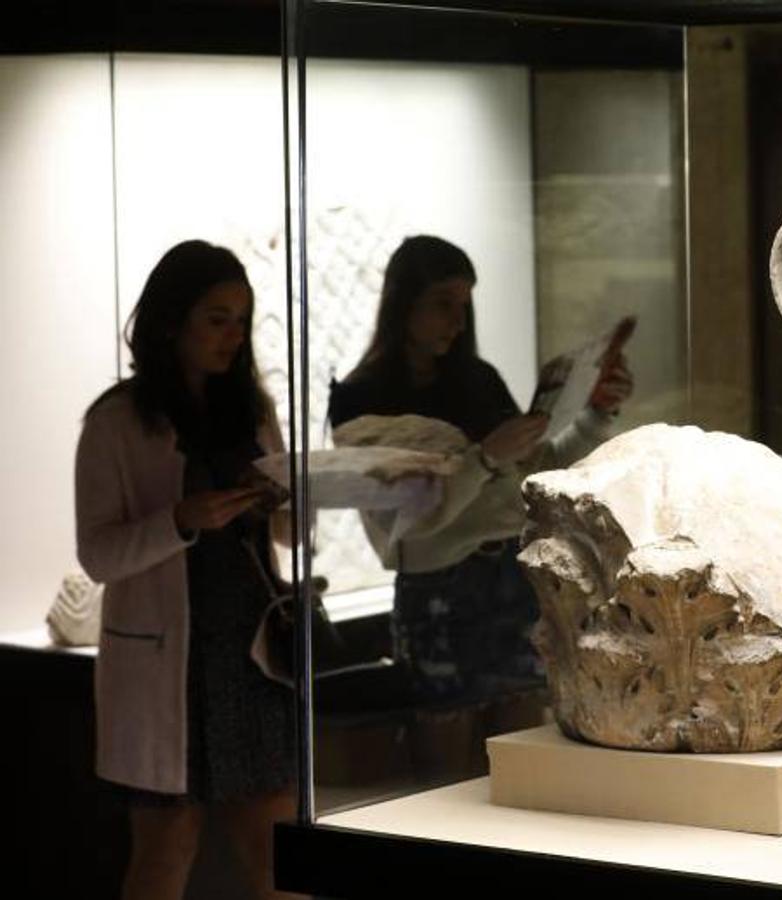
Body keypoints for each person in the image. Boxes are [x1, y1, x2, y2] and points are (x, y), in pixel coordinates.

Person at [74, 240, 301, 900]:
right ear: (172, 321)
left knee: (274, 851)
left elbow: (290, 534)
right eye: (216, 317)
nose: (233, 335)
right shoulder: (116, 422)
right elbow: (98, 555)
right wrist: (182, 520)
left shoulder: (251, 412)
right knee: (165, 853)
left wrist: (285, 502)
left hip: (251, 660)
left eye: (242, 319)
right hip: (167, 669)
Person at [327, 235, 632, 707]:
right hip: (438, 590)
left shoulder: (477, 378)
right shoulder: (360, 398)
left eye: (464, 304)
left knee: (527, 736)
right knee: (447, 741)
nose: (457, 320)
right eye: (442, 303)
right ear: (403, 304)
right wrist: (484, 459)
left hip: (515, 576)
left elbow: (535, 478)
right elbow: (405, 526)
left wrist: (595, 415)